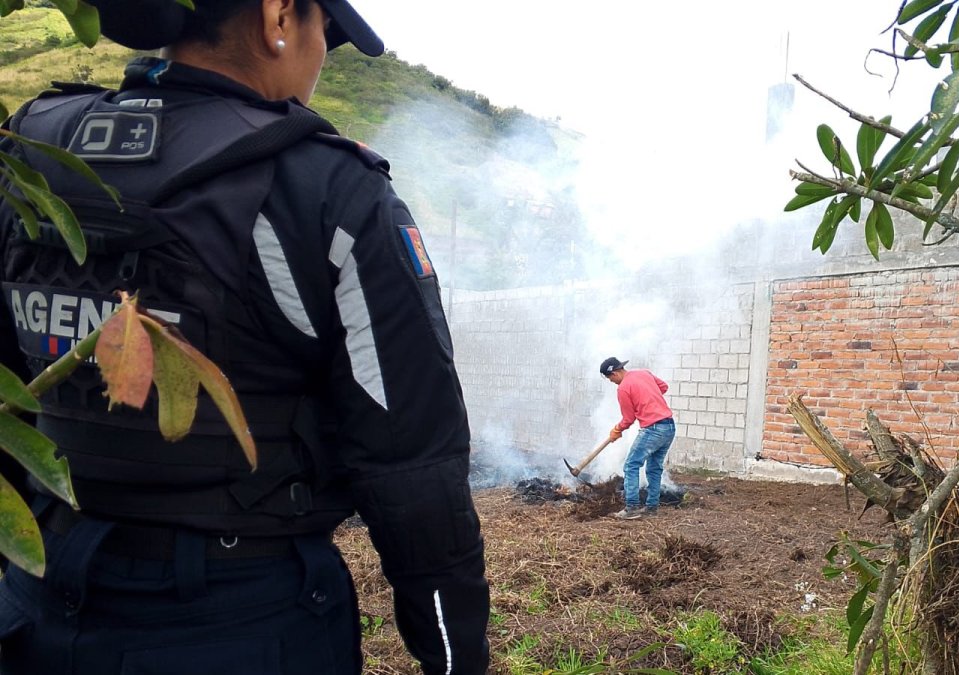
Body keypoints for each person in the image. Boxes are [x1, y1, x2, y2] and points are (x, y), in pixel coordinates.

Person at [0, 1, 489, 673]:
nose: (321, 61)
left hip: (38, 595)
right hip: (240, 617)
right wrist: (455, 653)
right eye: (325, 35)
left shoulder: (32, 154)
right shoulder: (326, 188)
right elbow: (412, 458)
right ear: (278, 15)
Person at [600, 357, 675, 520]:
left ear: (614, 373)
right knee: (654, 468)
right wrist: (648, 397)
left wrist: (616, 430)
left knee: (631, 465)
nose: (611, 382)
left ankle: (632, 507)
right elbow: (664, 387)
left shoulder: (623, 388)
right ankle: (652, 508)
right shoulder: (643, 373)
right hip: (669, 427)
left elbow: (628, 419)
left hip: (653, 429)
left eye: (610, 378)